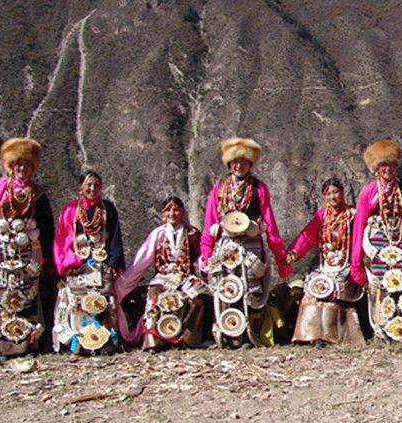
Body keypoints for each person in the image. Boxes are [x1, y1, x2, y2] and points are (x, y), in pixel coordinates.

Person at [201, 137, 291, 347]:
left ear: (250, 163)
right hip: (226, 245)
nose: (239, 166)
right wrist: (206, 252)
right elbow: (210, 220)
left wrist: (280, 256)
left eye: (243, 161)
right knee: (228, 287)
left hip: (251, 245)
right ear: (229, 164)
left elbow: (269, 222)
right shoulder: (219, 188)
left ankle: (250, 335)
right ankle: (230, 334)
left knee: (251, 288)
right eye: (235, 162)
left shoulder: (259, 188)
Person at [0, 138, 54, 357]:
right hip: (2, 250)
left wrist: (47, 256)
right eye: (18, 164)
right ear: (11, 165)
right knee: (0, 295)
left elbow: (46, 226)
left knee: (27, 294)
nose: (22, 169)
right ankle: (2, 345)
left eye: (27, 165)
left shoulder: (37, 193)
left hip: (30, 251)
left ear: (32, 168)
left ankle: (27, 344)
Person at [350, 139, 402, 341]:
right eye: (383, 165)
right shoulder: (368, 192)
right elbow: (359, 224)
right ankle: (381, 329)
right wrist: (357, 258)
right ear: (376, 168)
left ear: (396, 167)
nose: (387, 169)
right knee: (379, 285)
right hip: (376, 245)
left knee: (401, 284)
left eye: (391, 164)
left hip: (400, 243)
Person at [116, 196, 206, 349]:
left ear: (183, 212)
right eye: (168, 210)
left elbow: (199, 257)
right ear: (163, 214)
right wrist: (124, 280)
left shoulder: (192, 233)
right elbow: (143, 258)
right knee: (154, 296)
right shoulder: (158, 234)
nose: (172, 213)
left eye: (176, 210)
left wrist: (204, 272)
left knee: (197, 298)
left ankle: (188, 339)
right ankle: (154, 340)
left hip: (186, 277)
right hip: (163, 277)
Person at [52, 171, 126, 354]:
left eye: (96, 185)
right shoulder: (71, 210)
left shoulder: (108, 209)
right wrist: (67, 263)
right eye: (89, 185)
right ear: (81, 187)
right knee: (77, 303)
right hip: (78, 263)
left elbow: (115, 236)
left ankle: (106, 341)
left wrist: (113, 262)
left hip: (102, 261)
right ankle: (80, 342)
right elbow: (62, 238)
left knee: (105, 301)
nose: (93, 189)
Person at [284, 178, 363, 347]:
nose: (332, 197)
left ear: (342, 193)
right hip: (324, 262)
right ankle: (311, 334)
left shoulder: (352, 215)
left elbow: (359, 240)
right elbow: (307, 236)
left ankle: (333, 335)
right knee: (313, 288)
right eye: (328, 194)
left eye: (335, 192)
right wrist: (294, 252)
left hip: (346, 263)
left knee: (334, 289)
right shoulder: (322, 216)